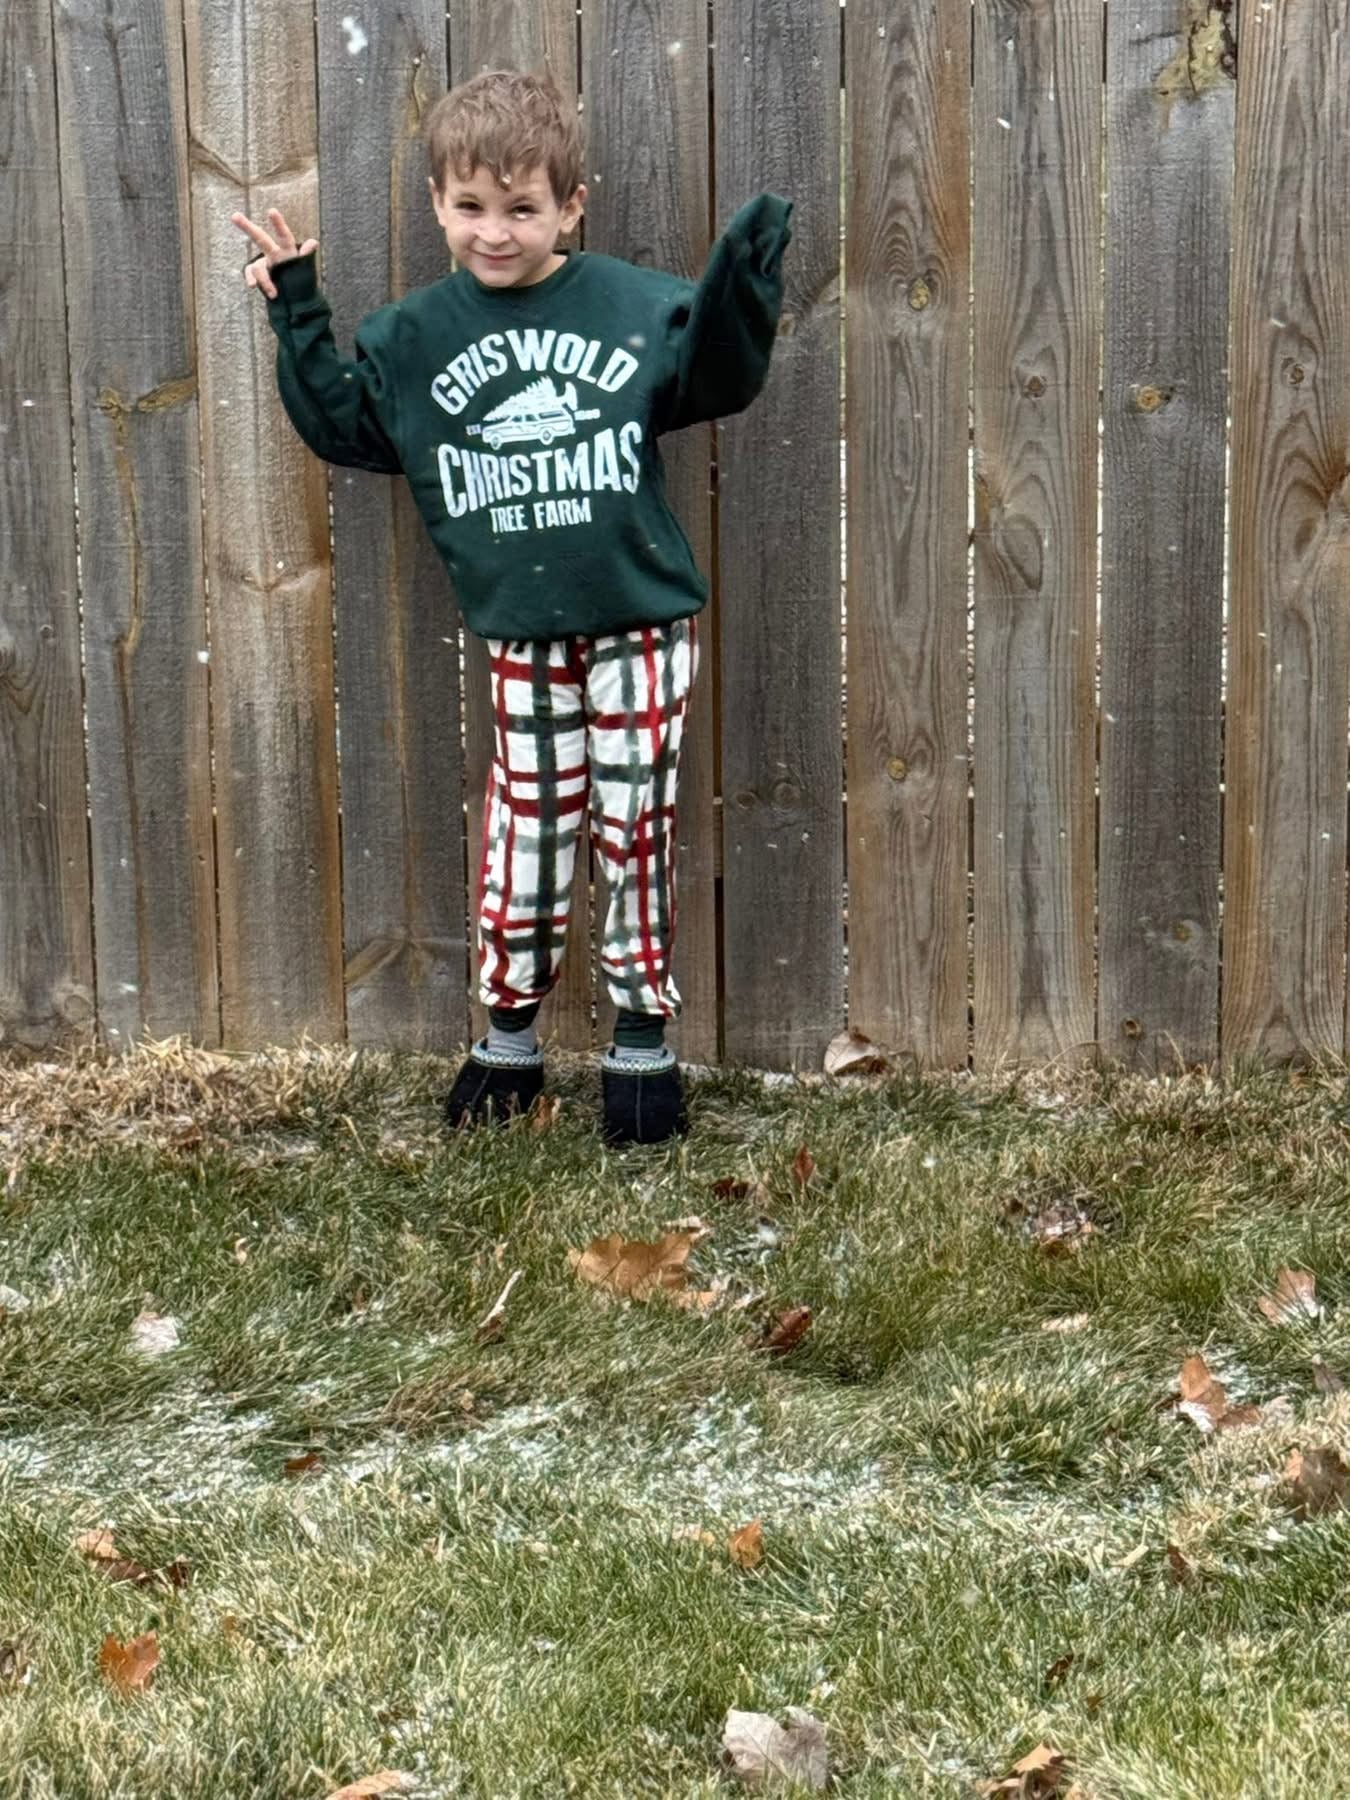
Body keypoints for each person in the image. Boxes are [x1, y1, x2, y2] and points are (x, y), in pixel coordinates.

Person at [232, 68, 792, 1146]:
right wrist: (298, 308)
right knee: (526, 832)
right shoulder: (412, 336)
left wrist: (739, 288)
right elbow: (349, 430)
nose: (496, 231)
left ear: (572, 206)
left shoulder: (637, 306)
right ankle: (510, 1038)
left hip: (640, 621)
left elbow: (716, 377)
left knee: (636, 828)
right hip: (521, 638)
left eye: (523, 207)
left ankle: (641, 1041)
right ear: (439, 204)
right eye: (472, 207)